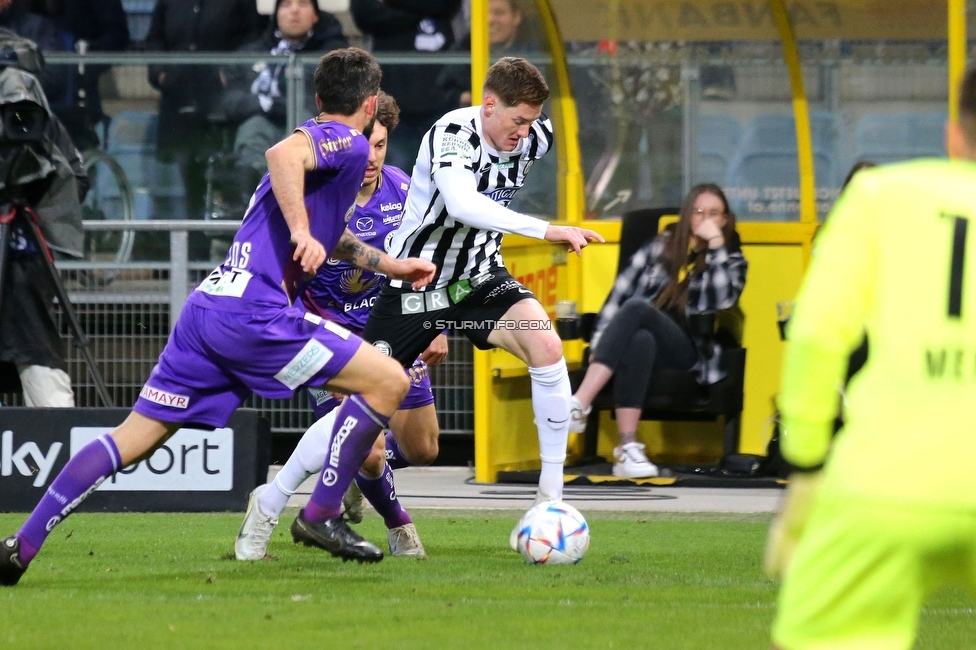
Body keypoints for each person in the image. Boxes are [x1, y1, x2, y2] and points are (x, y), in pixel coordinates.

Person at [0, 47, 438, 587]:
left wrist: (391, 264)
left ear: (319, 96)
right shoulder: (345, 140)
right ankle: (320, 513)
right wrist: (301, 233)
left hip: (208, 308)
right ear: (371, 104)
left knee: (133, 438)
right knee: (389, 380)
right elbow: (279, 157)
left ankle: (23, 543)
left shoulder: (321, 145)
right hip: (255, 313)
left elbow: (332, 233)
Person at [764, 67, 976, 649]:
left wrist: (806, 467)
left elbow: (814, 334)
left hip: (885, 482)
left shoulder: (880, 197)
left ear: (953, 135)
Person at [360, 57, 604, 549]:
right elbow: (463, 204)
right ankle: (277, 498)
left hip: (478, 282)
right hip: (417, 285)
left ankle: (549, 499)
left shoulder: (534, 137)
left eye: (532, 121)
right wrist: (549, 229)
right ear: (489, 105)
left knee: (548, 348)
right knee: (359, 426)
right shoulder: (452, 133)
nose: (525, 132)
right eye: (517, 120)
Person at [235, 91, 445, 561]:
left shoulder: (404, 190)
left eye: (381, 146)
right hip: (326, 328)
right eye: (365, 144)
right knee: (367, 448)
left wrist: (435, 322)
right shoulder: (319, 186)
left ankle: (341, 466)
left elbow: (428, 258)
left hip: (392, 328)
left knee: (424, 447)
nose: (371, 157)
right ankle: (397, 525)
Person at [568, 184, 747, 478]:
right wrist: (600, 343)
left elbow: (720, 298)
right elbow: (618, 295)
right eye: (699, 212)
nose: (706, 219)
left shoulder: (732, 260)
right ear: (688, 215)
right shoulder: (659, 246)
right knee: (640, 337)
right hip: (650, 345)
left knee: (639, 308)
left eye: (715, 213)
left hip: (689, 351)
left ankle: (579, 403)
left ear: (725, 220)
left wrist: (715, 247)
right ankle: (628, 449)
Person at [144, 0, 263, 233]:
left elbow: (252, 39)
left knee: (221, 184)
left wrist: (228, 74)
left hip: (222, 108)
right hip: (176, 102)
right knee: (181, 180)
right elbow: (155, 39)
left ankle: (218, 254)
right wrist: (159, 73)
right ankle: (184, 256)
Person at [222, 0, 348, 195]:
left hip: (308, 127)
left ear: (316, 16)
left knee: (303, 127)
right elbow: (230, 101)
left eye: (303, 4)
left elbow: (335, 101)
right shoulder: (249, 54)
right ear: (276, 15)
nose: (294, 10)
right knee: (254, 128)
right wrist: (265, 104)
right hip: (260, 123)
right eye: (286, 5)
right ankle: (253, 201)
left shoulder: (333, 56)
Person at [350, 0, 463, 171]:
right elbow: (364, 13)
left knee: (449, 174)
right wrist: (424, 11)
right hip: (392, 106)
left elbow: (445, 5)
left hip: (443, 101)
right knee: (394, 174)